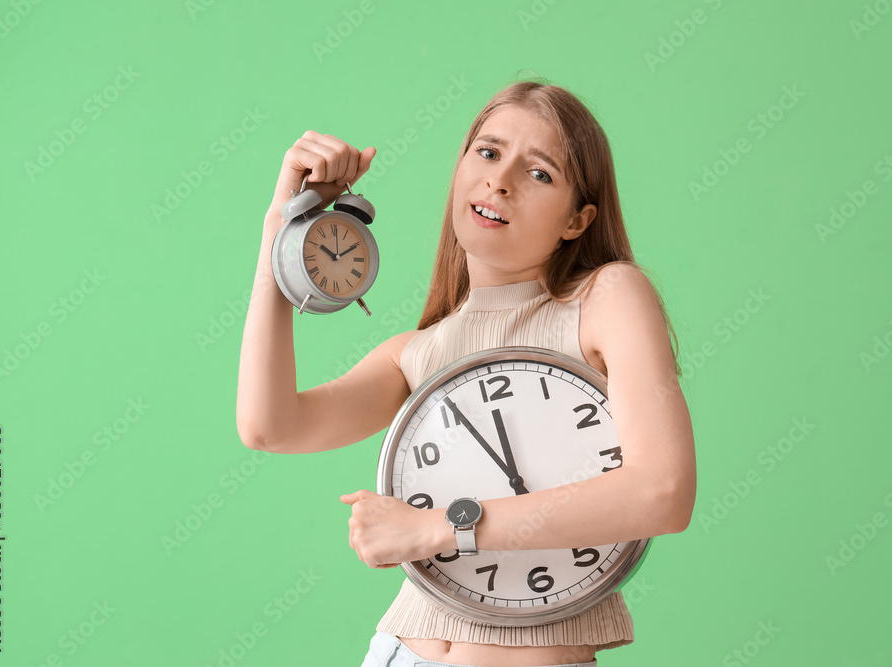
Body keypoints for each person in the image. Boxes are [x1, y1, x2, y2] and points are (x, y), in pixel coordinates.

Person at [236, 79, 697, 667]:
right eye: (487, 151)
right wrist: (281, 230)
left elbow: (664, 490)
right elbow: (270, 427)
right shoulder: (419, 353)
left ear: (577, 221)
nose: (499, 180)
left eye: (539, 173)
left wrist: (440, 528)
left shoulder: (606, 299)